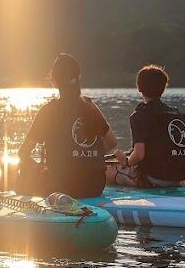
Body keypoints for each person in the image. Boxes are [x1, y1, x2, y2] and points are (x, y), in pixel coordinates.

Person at [14, 53, 117, 198]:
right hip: (95, 186)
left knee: (23, 170)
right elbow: (112, 142)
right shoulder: (90, 106)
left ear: (54, 81)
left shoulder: (48, 111)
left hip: (60, 187)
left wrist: (38, 168)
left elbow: (23, 152)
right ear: (78, 78)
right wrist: (88, 156)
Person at [106, 64, 185, 188]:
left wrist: (125, 161)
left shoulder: (140, 115)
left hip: (154, 179)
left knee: (107, 170)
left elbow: (139, 155)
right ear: (164, 88)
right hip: (183, 179)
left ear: (139, 88)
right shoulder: (177, 114)